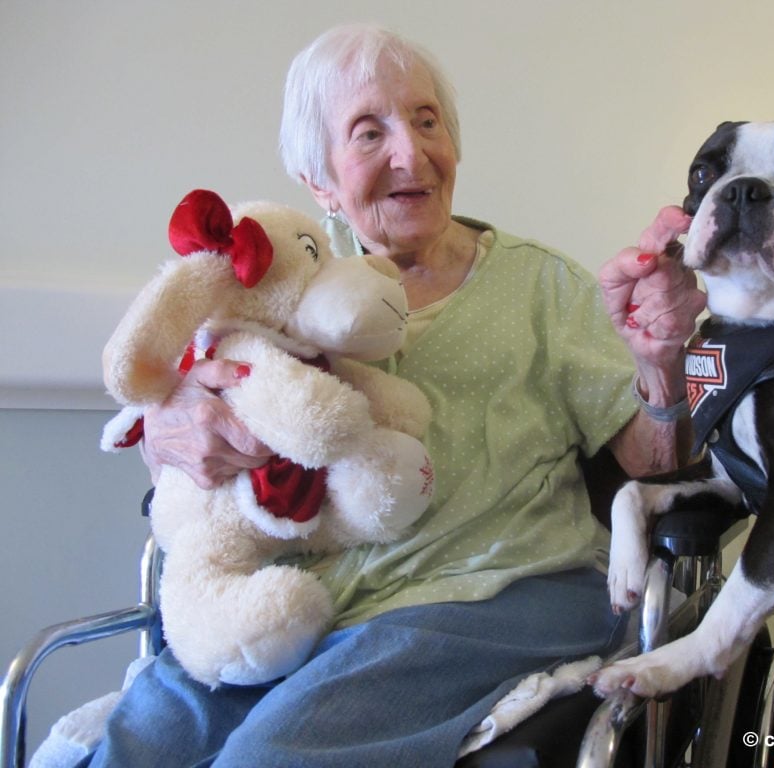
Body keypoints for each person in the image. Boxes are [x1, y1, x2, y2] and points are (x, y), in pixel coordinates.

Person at [80, 23, 705, 768]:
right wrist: (165, 426)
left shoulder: (544, 287)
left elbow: (651, 466)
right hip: (312, 605)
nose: (410, 153)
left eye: (426, 121)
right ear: (319, 181)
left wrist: (661, 367)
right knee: (134, 744)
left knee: (268, 759)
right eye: (369, 132)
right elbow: (199, 435)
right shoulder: (285, 287)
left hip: (496, 591)